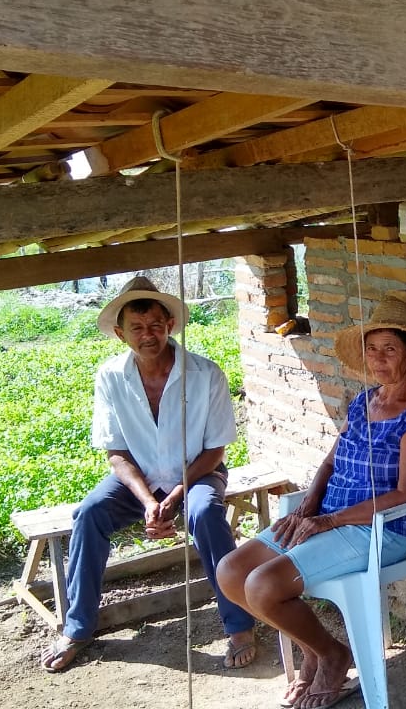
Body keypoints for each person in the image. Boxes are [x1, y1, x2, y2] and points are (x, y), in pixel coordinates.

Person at [217, 298, 406, 709]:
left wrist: (330, 521)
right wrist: (309, 504)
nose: (378, 359)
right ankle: (313, 649)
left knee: (263, 585)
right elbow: (332, 458)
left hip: (381, 530)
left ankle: (332, 656)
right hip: (328, 518)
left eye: (390, 349)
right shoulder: (364, 401)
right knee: (232, 571)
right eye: (371, 349)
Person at [39, 276, 257, 672]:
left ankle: (239, 624)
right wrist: (148, 501)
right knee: (89, 515)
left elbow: (215, 450)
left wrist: (173, 498)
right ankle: (77, 627)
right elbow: (117, 453)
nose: (148, 335)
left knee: (206, 514)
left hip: (197, 474)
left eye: (156, 325)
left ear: (170, 325)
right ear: (121, 334)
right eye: (137, 328)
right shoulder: (110, 377)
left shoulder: (206, 374)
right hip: (138, 480)